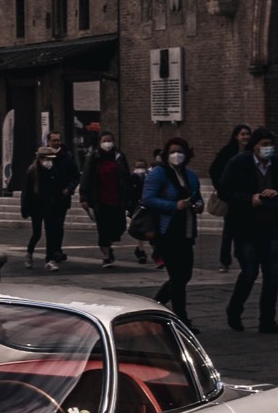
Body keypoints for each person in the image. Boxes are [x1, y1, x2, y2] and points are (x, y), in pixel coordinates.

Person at [223, 127, 278, 333]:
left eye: (271, 145)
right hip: (245, 226)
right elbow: (225, 189)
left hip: (270, 226)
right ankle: (234, 310)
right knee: (249, 272)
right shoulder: (238, 163)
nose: (268, 149)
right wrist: (248, 198)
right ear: (255, 146)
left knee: (272, 276)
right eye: (264, 145)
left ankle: (267, 320)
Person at [139, 137, 204, 319]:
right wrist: (174, 205)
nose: (177, 155)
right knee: (177, 277)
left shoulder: (189, 175)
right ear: (166, 154)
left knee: (184, 275)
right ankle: (181, 317)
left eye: (180, 151)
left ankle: (154, 307)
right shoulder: (159, 173)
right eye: (172, 151)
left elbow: (197, 197)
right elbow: (148, 199)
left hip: (187, 230)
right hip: (167, 231)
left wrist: (198, 204)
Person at [20, 137, 78, 268]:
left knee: (51, 233)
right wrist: (25, 208)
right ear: (40, 159)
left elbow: (56, 189)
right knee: (37, 233)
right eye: (46, 159)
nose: (49, 162)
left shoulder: (53, 171)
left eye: (50, 159)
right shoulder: (33, 171)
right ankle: (29, 253)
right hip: (36, 206)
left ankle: (49, 259)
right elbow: (27, 192)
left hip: (50, 205)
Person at [80, 134, 133, 269]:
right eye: (104, 141)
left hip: (117, 199)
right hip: (100, 199)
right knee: (103, 229)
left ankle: (109, 245)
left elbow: (126, 178)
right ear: (100, 143)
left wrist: (129, 197)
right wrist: (84, 197)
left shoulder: (119, 157)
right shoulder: (93, 158)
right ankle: (106, 256)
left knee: (118, 228)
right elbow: (86, 177)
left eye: (109, 141)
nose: (107, 143)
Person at [210, 123, 253, 271]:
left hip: (247, 196)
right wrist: (221, 188)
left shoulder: (252, 152)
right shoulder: (228, 152)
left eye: (248, 134)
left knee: (246, 229)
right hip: (231, 197)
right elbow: (214, 170)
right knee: (229, 230)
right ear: (236, 136)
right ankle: (225, 261)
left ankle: (242, 256)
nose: (246, 137)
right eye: (243, 134)